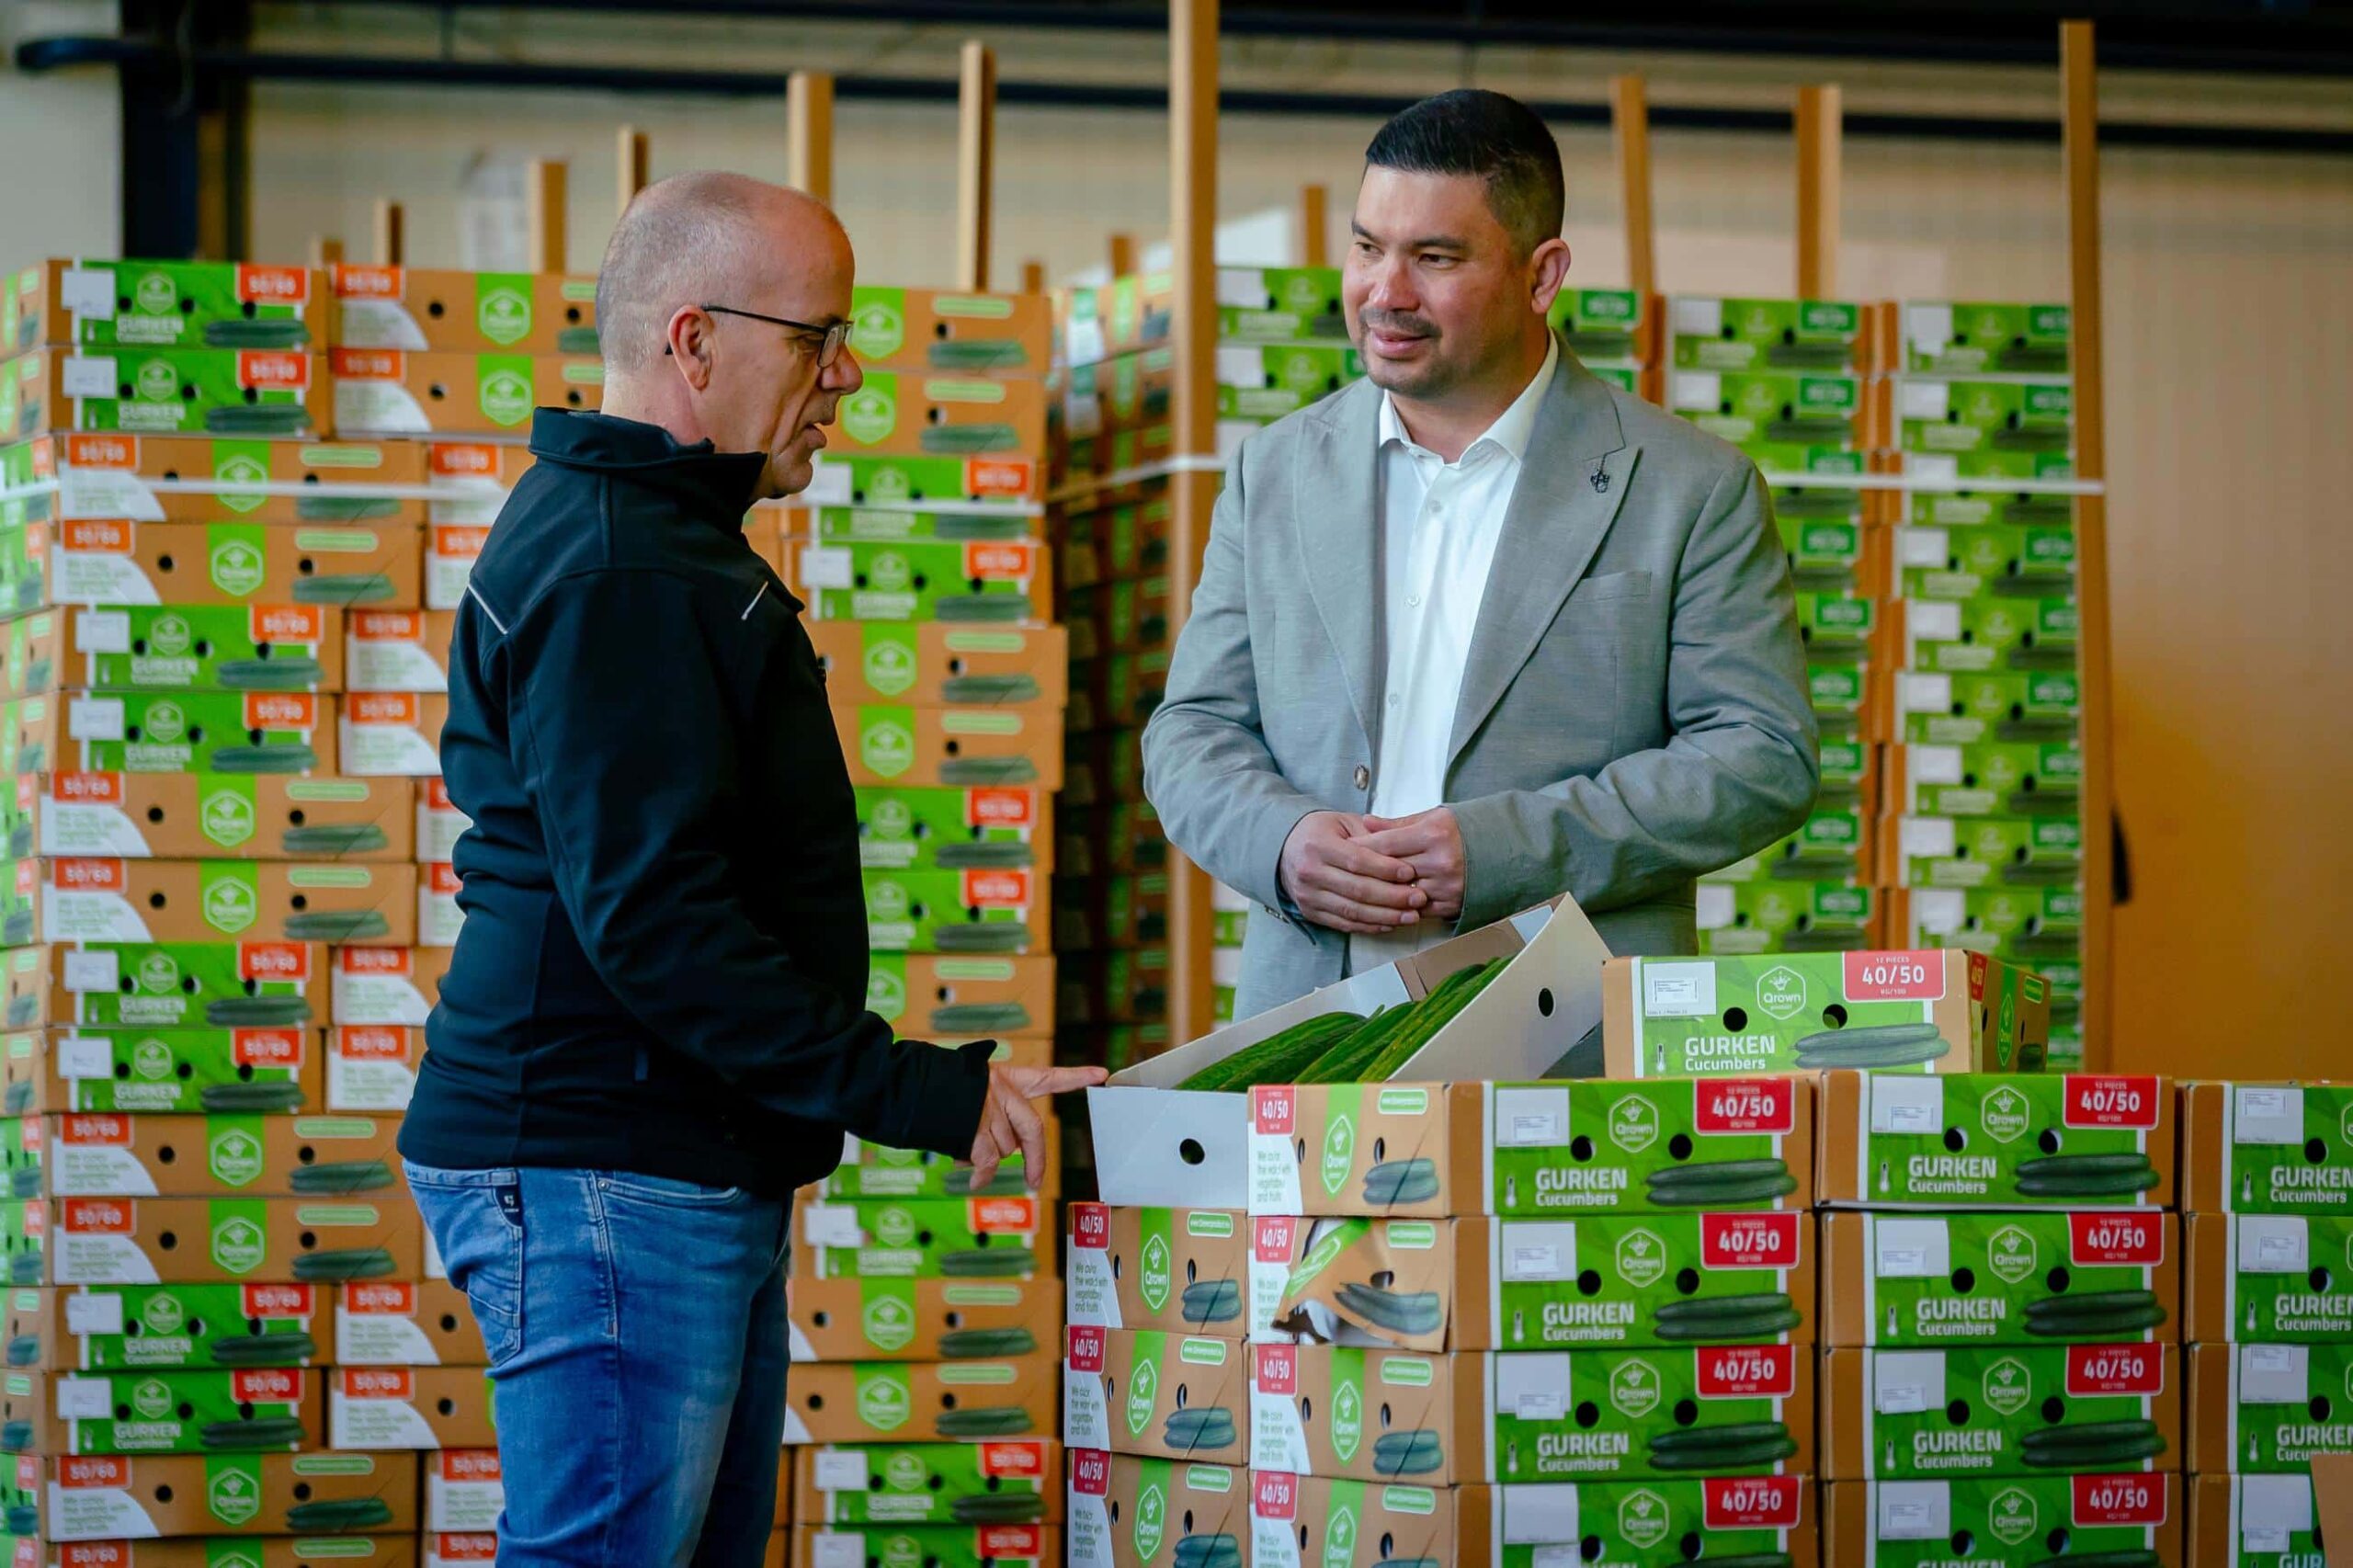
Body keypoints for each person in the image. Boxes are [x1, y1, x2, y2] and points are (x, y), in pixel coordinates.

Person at [397, 171, 1103, 1567]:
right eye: (818, 338)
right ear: (694, 340)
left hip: (651, 1153)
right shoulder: (628, 572)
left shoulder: (644, 539)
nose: (846, 376)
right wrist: (918, 1086)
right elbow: (656, 924)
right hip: (607, 1163)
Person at [1143, 89, 1818, 1034]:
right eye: (1367, 246)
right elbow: (1192, 731)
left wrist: (1506, 848)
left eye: (1434, 257)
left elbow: (1761, 755)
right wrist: (1285, 840)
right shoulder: (1275, 472)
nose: (1384, 292)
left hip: (1571, 1033)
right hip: (1307, 1024)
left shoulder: (1687, 486)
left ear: (1541, 276)